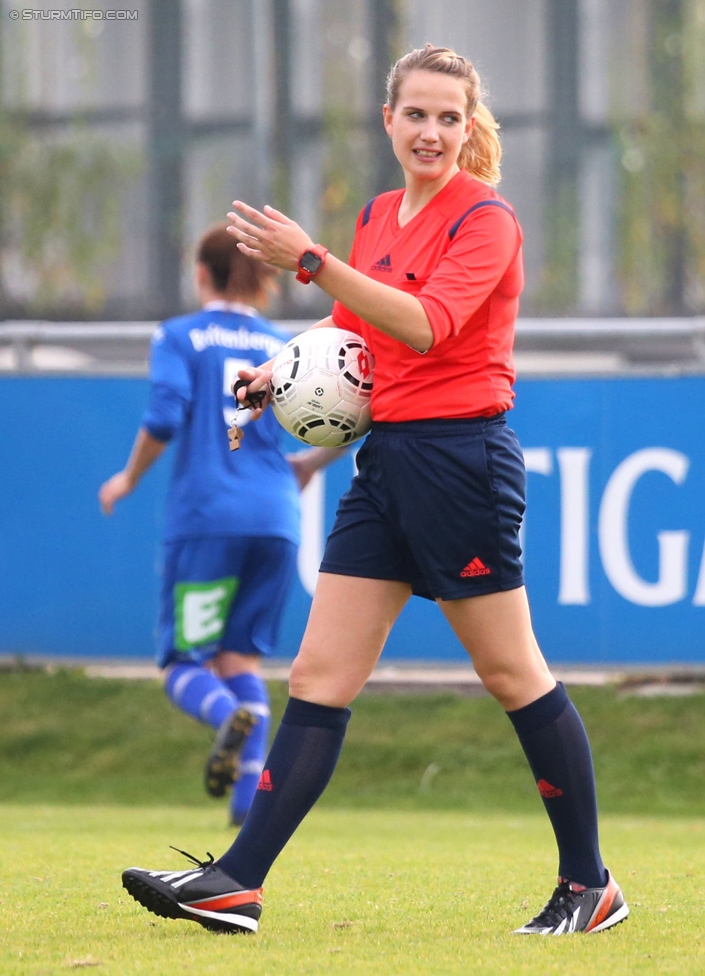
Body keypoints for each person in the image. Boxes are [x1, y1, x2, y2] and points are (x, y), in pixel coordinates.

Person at [121, 45, 629, 936]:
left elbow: (427, 326)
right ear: (387, 121)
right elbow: (351, 326)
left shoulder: (487, 219)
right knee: (319, 674)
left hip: (460, 461)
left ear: (469, 128)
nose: (431, 131)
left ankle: (589, 885)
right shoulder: (379, 215)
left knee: (513, 672)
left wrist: (309, 259)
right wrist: (275, 370)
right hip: (387, 462)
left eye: (448, 117)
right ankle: (238, 881)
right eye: (416, 114)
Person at [99, 224, 339, 827]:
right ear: (260, 278)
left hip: (208, 519)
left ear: (199, 274)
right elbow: (351, 403)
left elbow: (166, 412)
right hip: (277, 518)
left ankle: (229, 718)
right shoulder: (281, 341)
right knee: (241, 662)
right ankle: (243, 802)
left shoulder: (178, 335)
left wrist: (128, 477)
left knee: (184, 661)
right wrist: (308, 462)